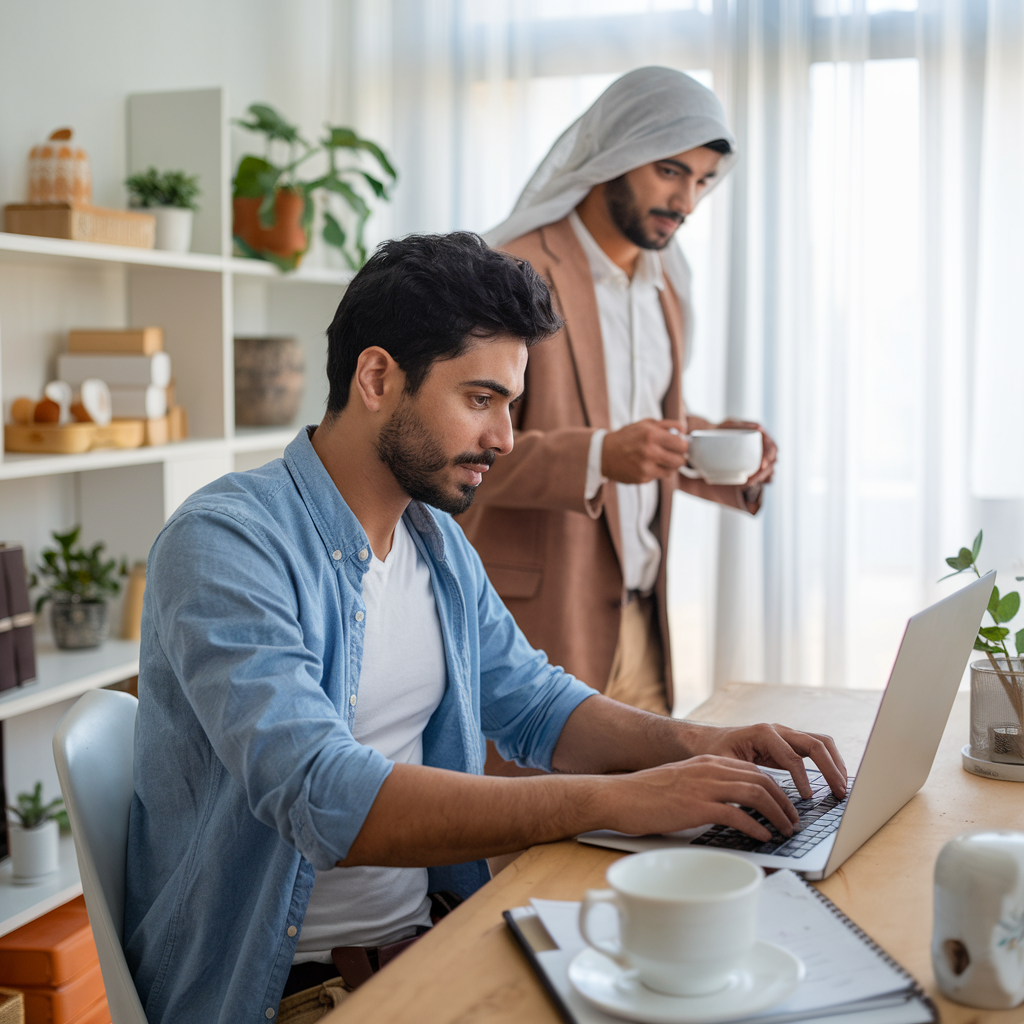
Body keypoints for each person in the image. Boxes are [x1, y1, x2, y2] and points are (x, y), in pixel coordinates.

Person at [124, 233, 842, 1024]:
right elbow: (322, 793)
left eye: (510, 404)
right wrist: (617, 800)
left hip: (436, 940)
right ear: (376, 377)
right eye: (480, 399)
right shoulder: (225, 543)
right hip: (292, 991)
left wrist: (700, 746)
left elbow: (532, 704)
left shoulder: (433, 539)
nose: (504, 437)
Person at [460, 67, 777, 725]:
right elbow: (456, 447)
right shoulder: (511, 272)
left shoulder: (667, 288)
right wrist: (601, 455)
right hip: (530, 632)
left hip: (640, 624)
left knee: (651, 825)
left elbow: (631, 425)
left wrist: (716, 443)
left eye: (702, 181)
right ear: (615, 154)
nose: (686, 200)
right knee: (540, 828)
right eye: (670, 171)